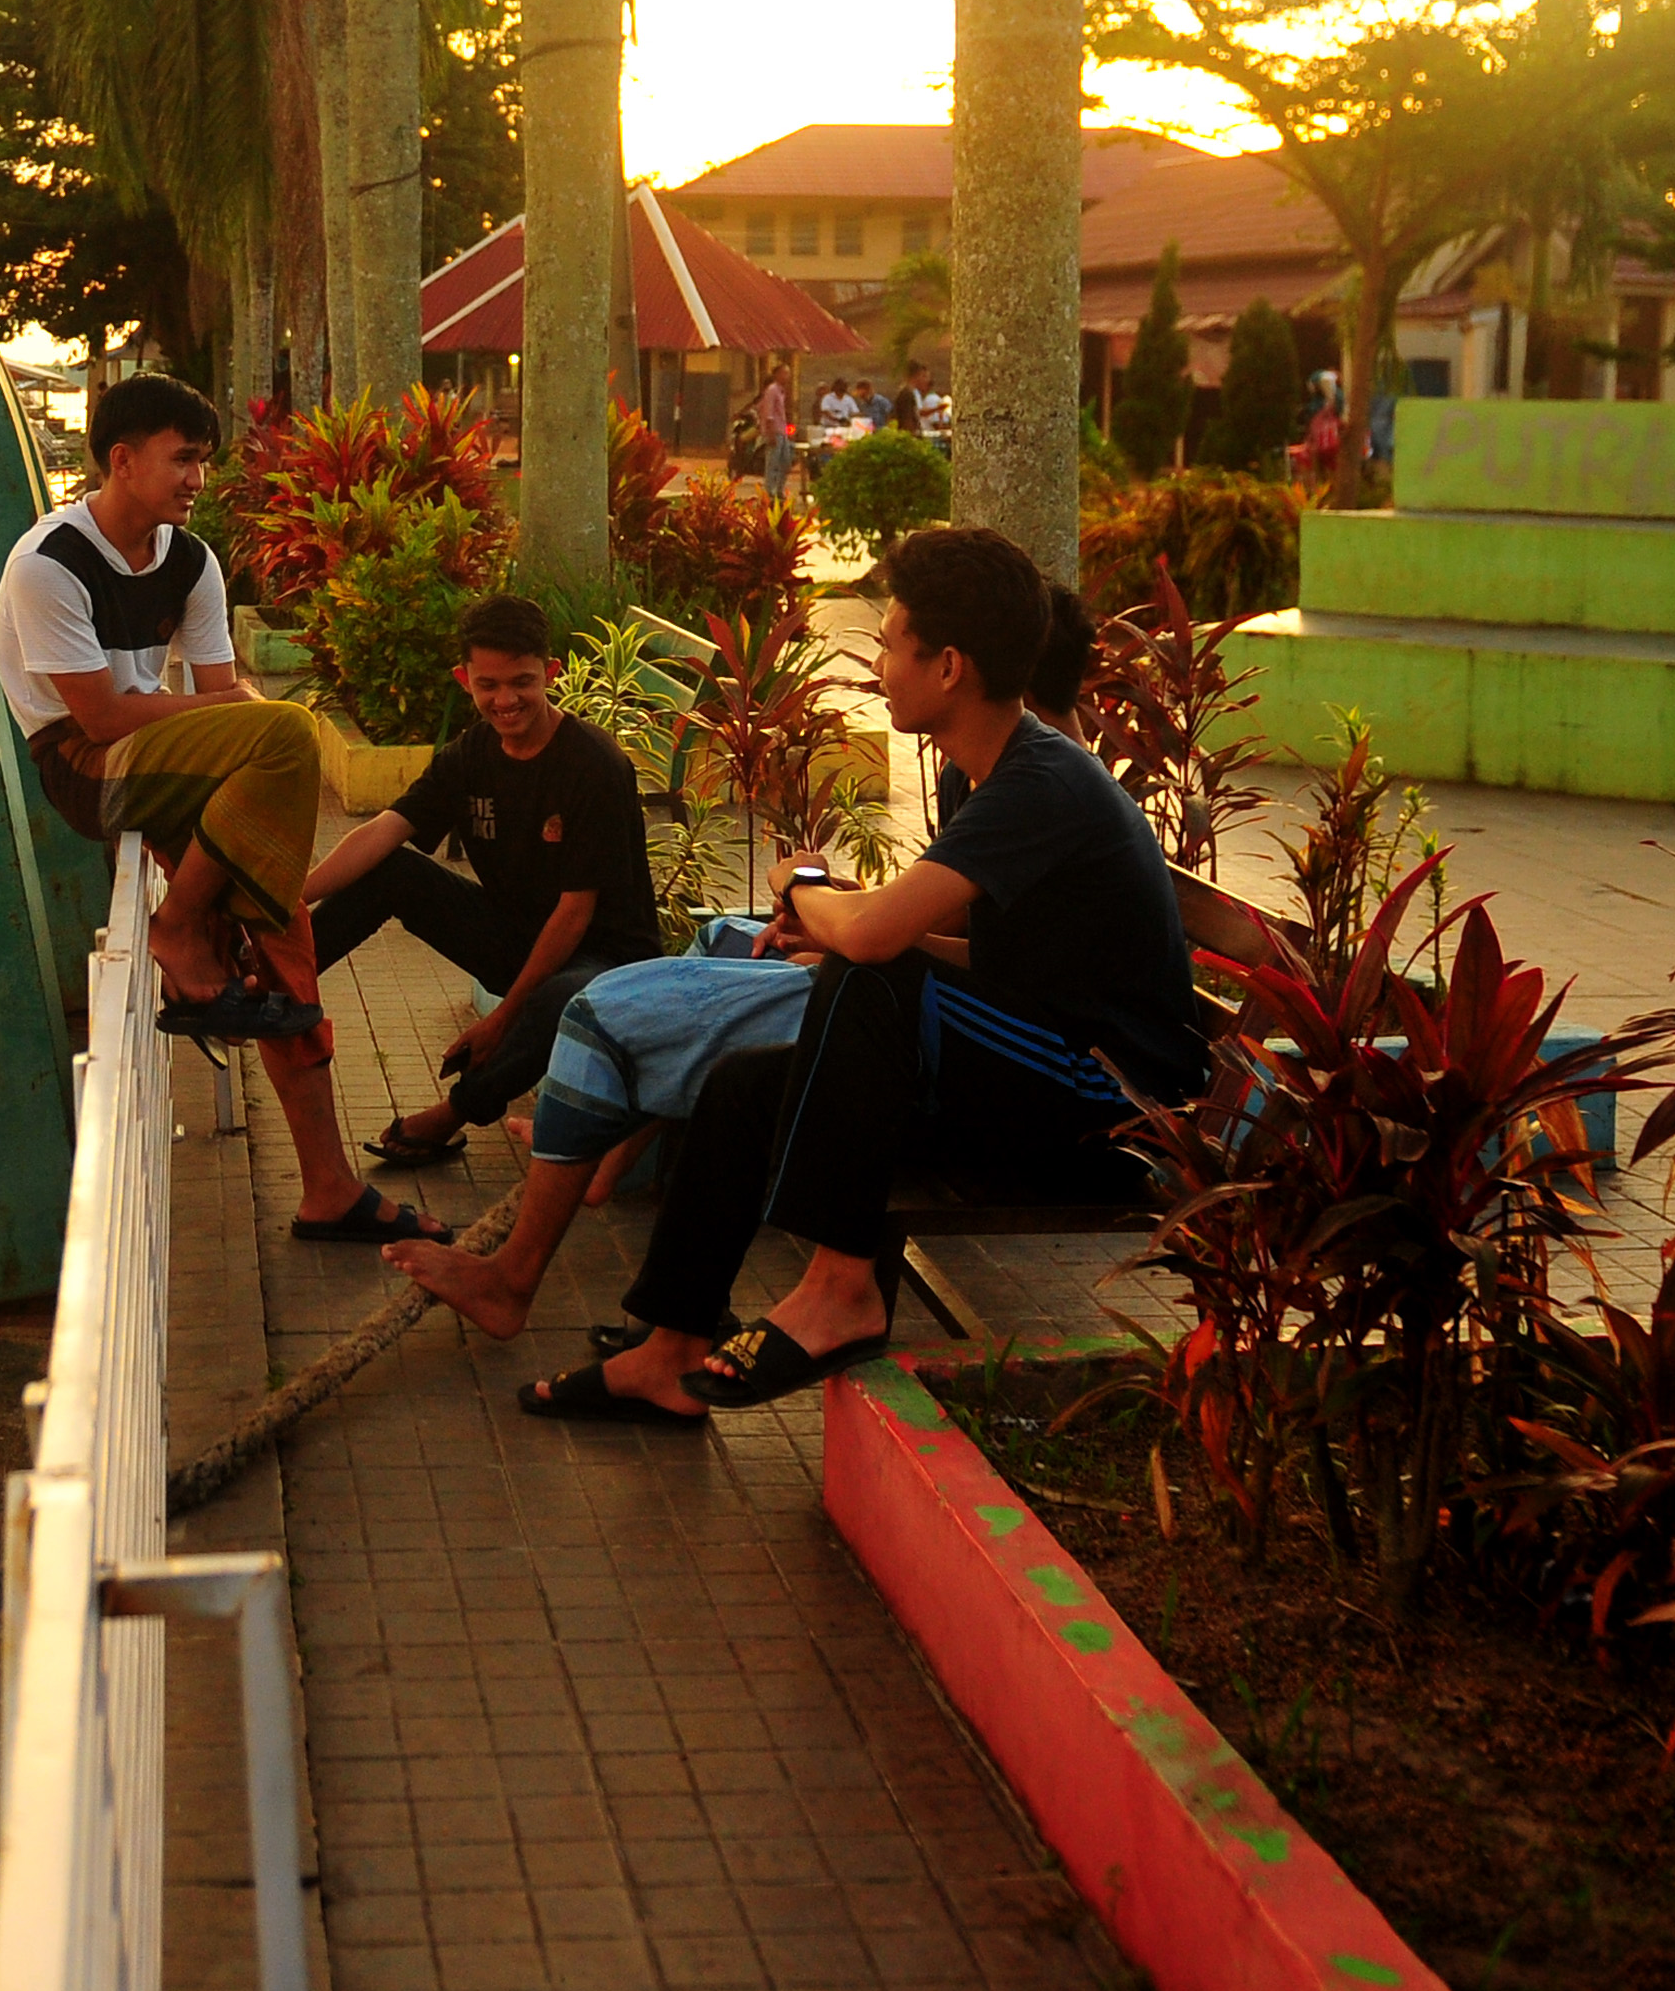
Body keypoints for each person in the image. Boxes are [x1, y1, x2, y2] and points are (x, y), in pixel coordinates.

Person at [394, 528, 1207, 1421]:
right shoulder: (994, 774)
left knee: (867, 975)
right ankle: (669, 1348)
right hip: (1039, 1058)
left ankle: (839, 1287)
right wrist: (839, 928)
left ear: (949, 668)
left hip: (1112, 1105)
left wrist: (806, 885)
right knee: (743, 1087)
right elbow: (999, 965)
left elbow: (876, 944)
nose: (878, 664)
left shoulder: (1041, 780)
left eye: (891, 645)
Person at [0, 372, 409, 1242]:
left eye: (204, 463)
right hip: (85, 767)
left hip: (176, 765)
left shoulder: (190, 559)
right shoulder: (48, 565)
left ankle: (328, 1188)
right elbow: (101, 718)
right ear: (122, 458)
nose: (196, 480)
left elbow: (218, 690)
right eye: (182, 459)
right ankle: (180, 927)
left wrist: (243, 719)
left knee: (283, 927)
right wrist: (248, 719)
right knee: (284, 733)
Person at [297, 596, 667, 1203]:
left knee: (559, 998)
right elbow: (386, 830)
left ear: (549, 673)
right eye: (488, 685)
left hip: (604, 958)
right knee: (395, 871)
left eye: (522, 683)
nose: (506, 701)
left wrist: (503, 1015)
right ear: (464, 680)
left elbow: (576, 913)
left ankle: (454, 1114)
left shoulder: (593, 764)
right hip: (518, 938)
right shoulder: (471, 754)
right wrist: (287, 898)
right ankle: (279, 979)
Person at [753, 366, 797, 500]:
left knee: (785, 462)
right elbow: (769, 414)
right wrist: (770, 433)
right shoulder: (772, 390)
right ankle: (769, 491)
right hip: (774, 431)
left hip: (782, 431)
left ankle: (779, 489)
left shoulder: (781, 392)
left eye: (788, 373)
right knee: (773, 462)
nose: (787, 376)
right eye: (784, 373)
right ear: (777, 374)